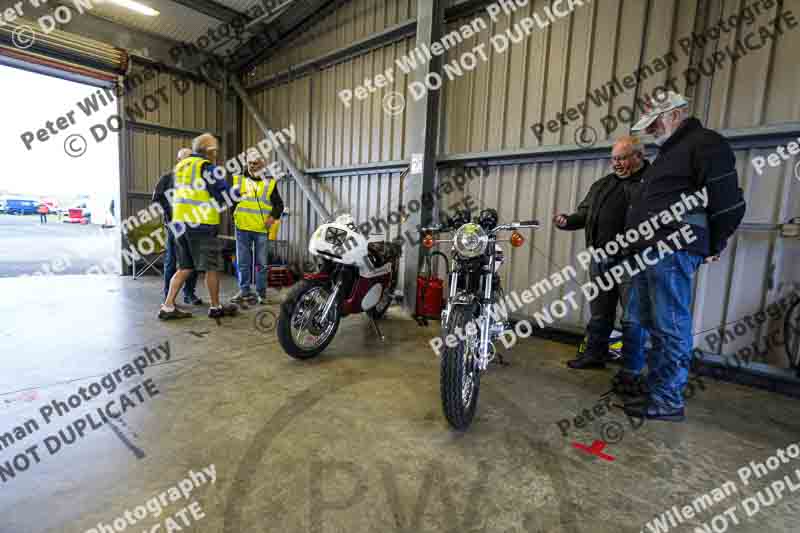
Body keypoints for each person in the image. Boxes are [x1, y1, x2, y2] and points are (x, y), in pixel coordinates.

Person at [623, 92, 745, 421]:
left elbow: (730, 203)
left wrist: (714, 245)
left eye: (655, 122)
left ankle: (668, 400)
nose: (650, 131)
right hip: (650, 250)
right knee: (653, 324)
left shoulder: (705, 144)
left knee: (670, 325)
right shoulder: (669, 153)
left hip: (672, 248)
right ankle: (657, 390)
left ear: (675, 115)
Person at [554, 137, 648, 382]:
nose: (616, 163)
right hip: (601, 257)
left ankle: (631, 370)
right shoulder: (603, 184)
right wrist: (567, 221)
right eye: (613, 159)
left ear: (638, 156)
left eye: (622, 158)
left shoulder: (652, 184)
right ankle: (594, 355)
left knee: (632, 317)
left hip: (634, 260)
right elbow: (585, 213)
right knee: (600, 312)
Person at [159, 133, 239, 320]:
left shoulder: (180, 167)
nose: (217, 154)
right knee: (211, 267)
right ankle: (215, 307)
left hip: (179, 224)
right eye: (215, 150)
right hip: (201, 225)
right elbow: (223, 195)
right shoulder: (207, 168)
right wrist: (237, 192)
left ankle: (168, 306)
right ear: (209, 151)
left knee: (185, 266)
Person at [230, 154, 284, 305]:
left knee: (261, 264)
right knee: (243, 262)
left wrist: (272, 218)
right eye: (249, 163)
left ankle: (261, 293)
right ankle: (244, 291)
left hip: (261, 229)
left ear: (263, 165)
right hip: (242, 227)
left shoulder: (269, 183)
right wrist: (234, 215)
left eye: (255, 163)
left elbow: (279, 205)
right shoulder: (239, 180)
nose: (252, 165)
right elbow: (232, 200)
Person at [152, 148, 202, 306]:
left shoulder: (196, 180)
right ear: (179, 161)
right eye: (184, 160)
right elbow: (157, 198)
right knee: (171, 261)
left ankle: (189, 294)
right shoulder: (168, 178)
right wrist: (171, 213)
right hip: (175, 226)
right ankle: (168, 296)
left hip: (193, 225)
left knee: (192, 262)